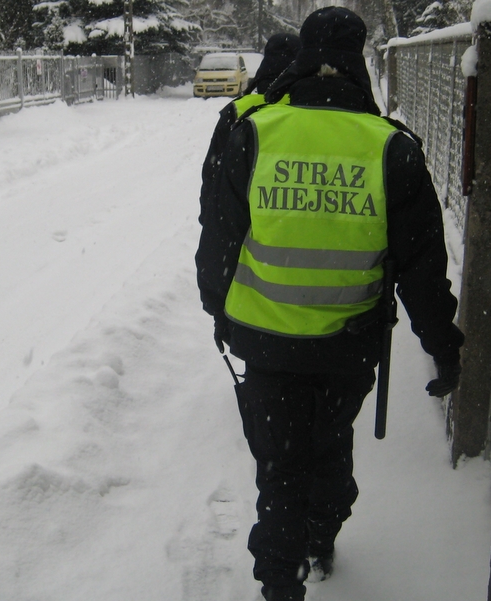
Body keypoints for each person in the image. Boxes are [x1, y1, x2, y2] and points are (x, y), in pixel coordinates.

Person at [194, 7, 464, 601]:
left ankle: (281, 577)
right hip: (348, 345)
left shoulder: (255, 133)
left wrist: (218, 309)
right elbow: (422, 269)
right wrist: (444, 348)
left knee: (280, 469)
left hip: (263, 342)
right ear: (359, 59)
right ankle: (318, 534)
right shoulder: (392, 148)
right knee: (326, 448)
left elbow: (219, 238)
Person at [198, 33, 301, 226]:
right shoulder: (307, 109)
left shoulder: (237, 111)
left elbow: (213, 175)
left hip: (244, 236)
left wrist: (209, 219)